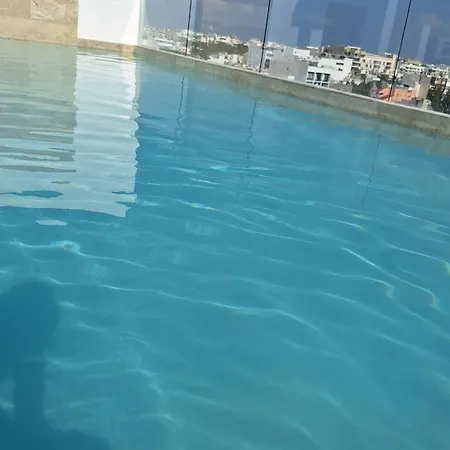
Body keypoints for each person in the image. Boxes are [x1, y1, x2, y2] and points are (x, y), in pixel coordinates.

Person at [0, 281, 110, 450]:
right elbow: (29, 430)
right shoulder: (23, 346)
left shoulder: (24, 347)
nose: (51, 342)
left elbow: (31, 420)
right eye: (46, 333)